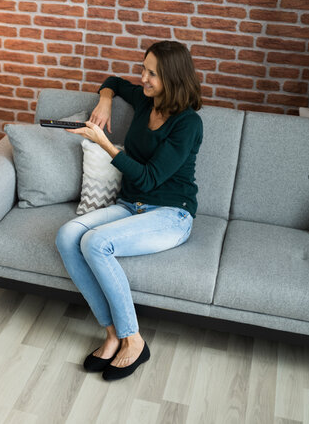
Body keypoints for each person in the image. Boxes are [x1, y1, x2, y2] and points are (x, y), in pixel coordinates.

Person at [56, 40, 203, 381]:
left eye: (152, 73)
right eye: (143, 69)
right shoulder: (144, 99)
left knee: (95, 243)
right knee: (67, 235)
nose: (143, 78)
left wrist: (104, 143)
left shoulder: (188, 123)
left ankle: (133, 339)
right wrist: (105, 100)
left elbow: (151, 179)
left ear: (174, 77)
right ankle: (111, 334)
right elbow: (114, 81)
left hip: (171, 213)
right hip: (130, 205)